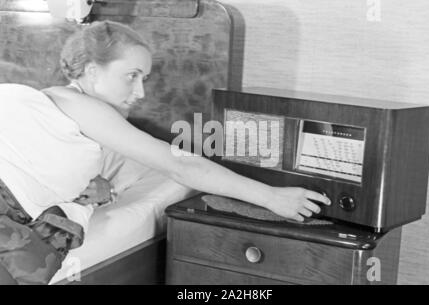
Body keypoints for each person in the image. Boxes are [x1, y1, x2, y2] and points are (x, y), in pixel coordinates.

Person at [0, 20, 330, 284]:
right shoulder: (81, 105)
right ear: (91, 70)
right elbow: (181, 167)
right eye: (131, 77)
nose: (140, 92)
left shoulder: (57, 114)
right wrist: (271, 196)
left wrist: (103, 191)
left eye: (143, 78)